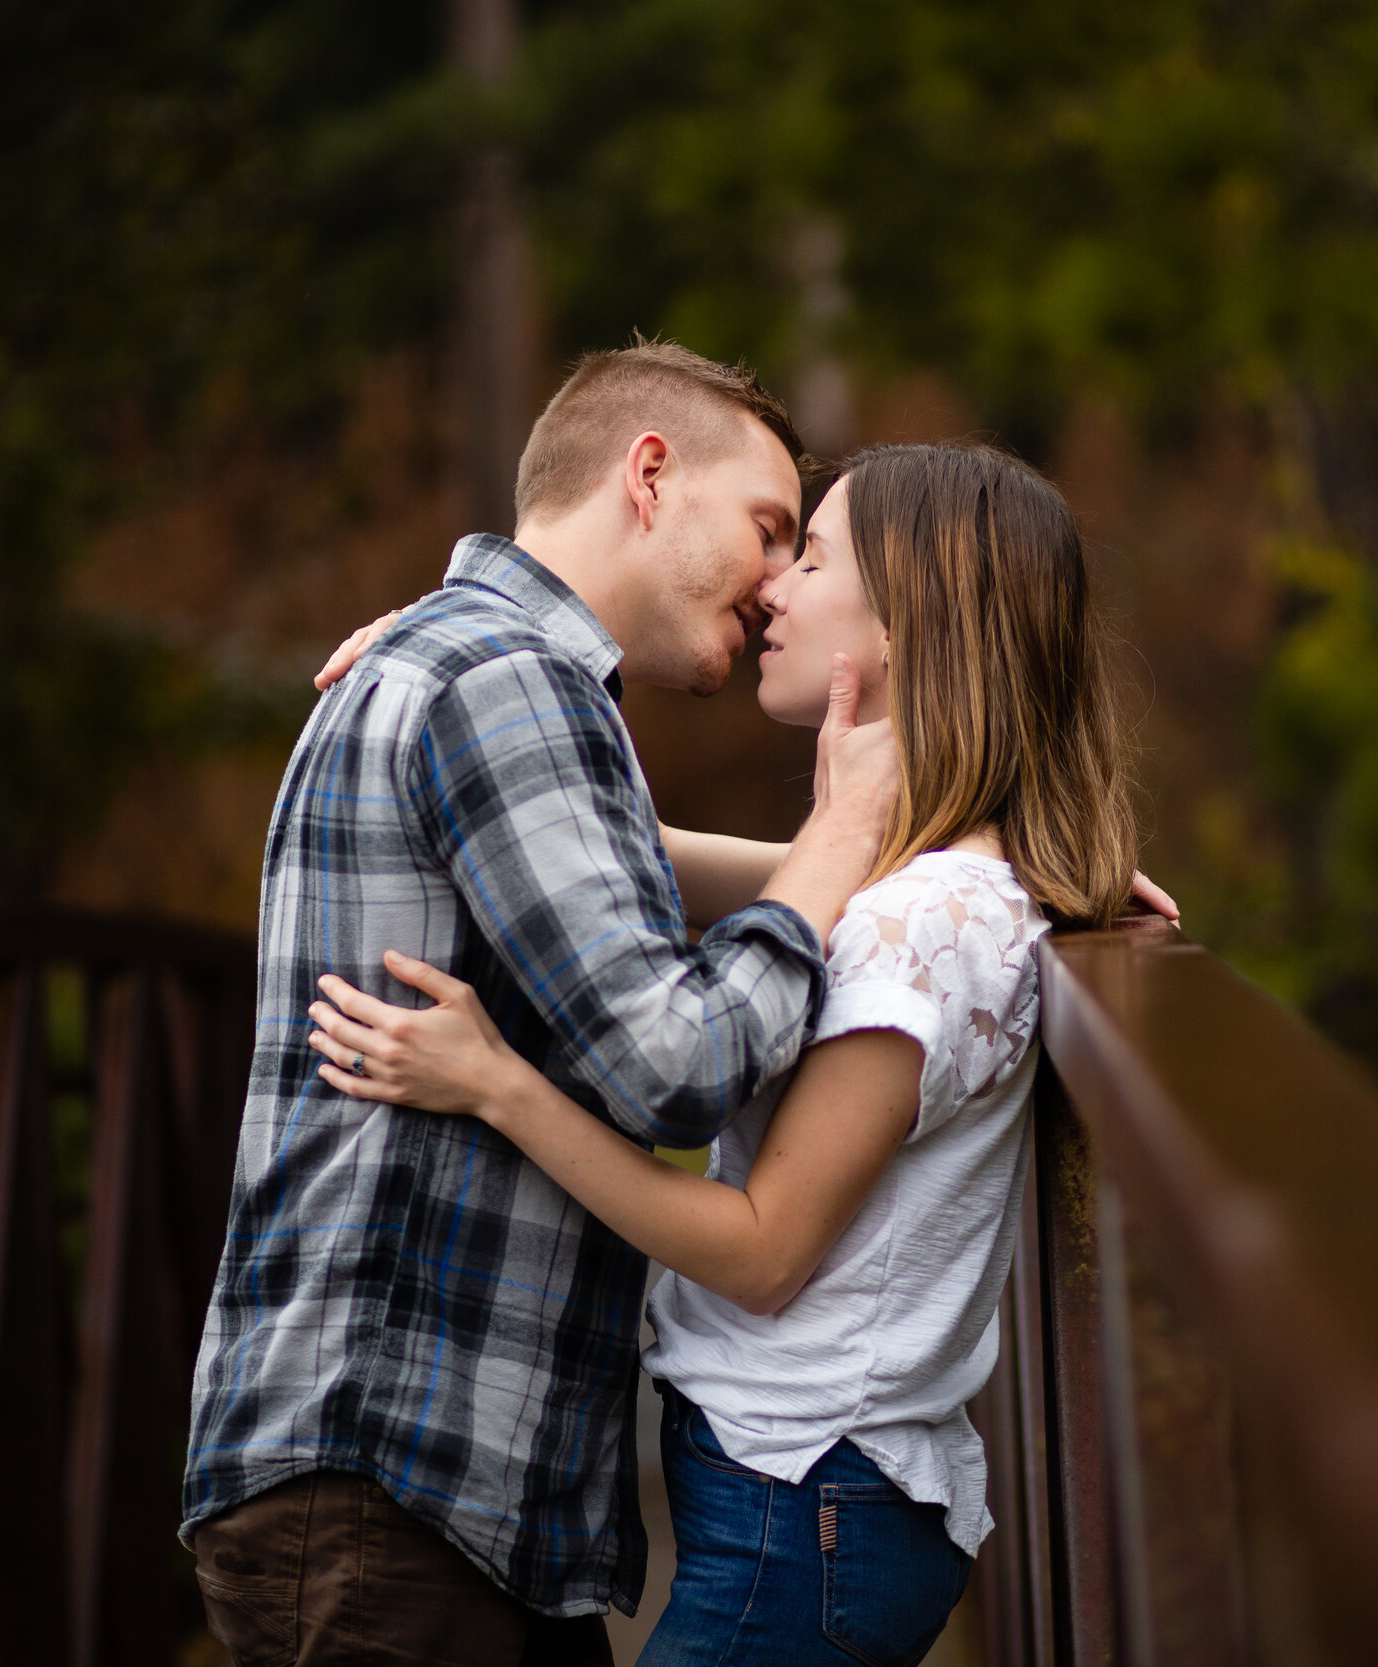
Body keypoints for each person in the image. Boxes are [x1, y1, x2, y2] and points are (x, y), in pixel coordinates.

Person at [306, 443, 1143, 1666]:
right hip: (794, 1505)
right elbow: (613, 843)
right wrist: (441, 666)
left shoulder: (926, 924)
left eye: (810, 556)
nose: (773, 588)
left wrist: (498, 1084)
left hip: (807, 1516)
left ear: (913, 617)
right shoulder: (925, 893)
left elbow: (758, 1251)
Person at [181, 339, 905, 1667]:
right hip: (390, 1484)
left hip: (434, 1489)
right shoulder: (500, 680)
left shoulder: (474, 666)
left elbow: (628, 881)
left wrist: (916, 849)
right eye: (767, 528)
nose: (776, 581)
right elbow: (676, 1062)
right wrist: (840, 827)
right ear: (647, 474)